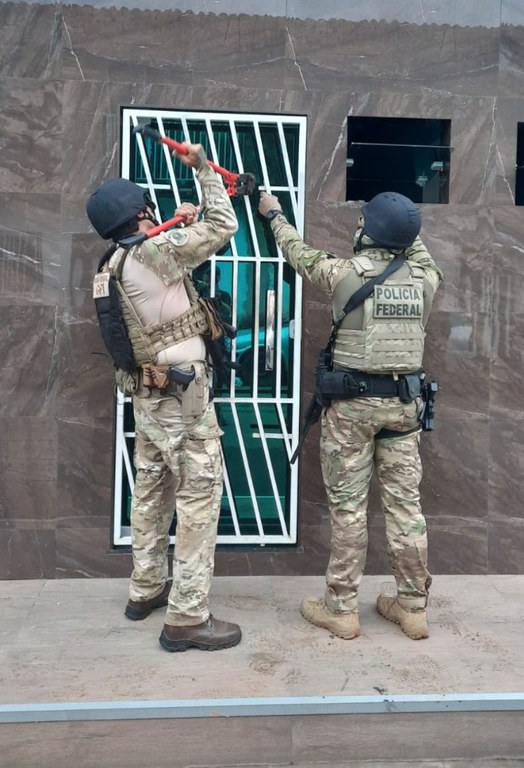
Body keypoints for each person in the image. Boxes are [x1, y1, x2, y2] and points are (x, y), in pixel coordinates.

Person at [258, 190, 442, 640]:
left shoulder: (342, 273)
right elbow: (414, 243)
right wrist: (401, 226)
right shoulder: (426, 278)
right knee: (407, 509)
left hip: (352, 412)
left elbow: (296, 251)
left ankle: (341, 608)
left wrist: (274, 213)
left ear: (369, 231)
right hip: (404, 409)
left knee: (349, 510)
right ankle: (413, 608)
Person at [86, 142, 242, 653]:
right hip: (182, 398)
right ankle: (188, 617)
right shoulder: (154, 251)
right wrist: (203, 169)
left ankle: (146, 587)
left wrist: (177, 225)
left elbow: (164, 287)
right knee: (200, 496)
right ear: (141, 211)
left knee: (152, 493)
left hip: (150, 399)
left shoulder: (114, 262)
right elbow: (224, 225)